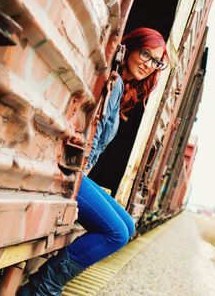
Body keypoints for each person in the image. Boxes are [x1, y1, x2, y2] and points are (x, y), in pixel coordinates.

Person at [18, 27, 168, 296]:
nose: (149, 64)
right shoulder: (114, 81)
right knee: (117, 234)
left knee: (129, 226)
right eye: (146, 53)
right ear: (131, 47)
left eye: (156, 61)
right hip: (72, 173)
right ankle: (43, 288)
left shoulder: (120, 86)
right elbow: (91, 138)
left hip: (80, 174)